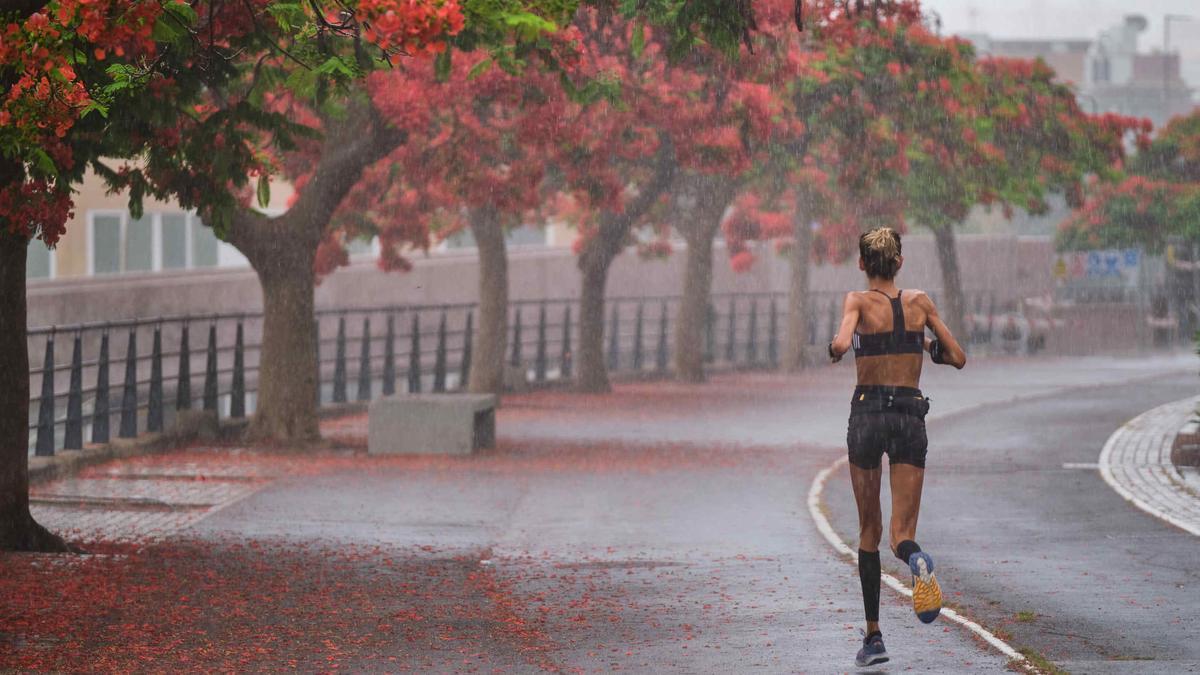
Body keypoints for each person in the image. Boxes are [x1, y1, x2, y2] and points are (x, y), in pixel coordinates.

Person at [827, 227, 966, 667]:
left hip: (868, 416)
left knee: (869, 529)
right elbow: (957, 356)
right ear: (900, 263)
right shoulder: (920, 302)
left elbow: (841, 341)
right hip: (909, 415)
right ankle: (916, 558)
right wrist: (925, 346)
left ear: (863, 264)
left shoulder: (857, 300)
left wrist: (835, 348)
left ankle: (874, 638)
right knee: (899, 534)